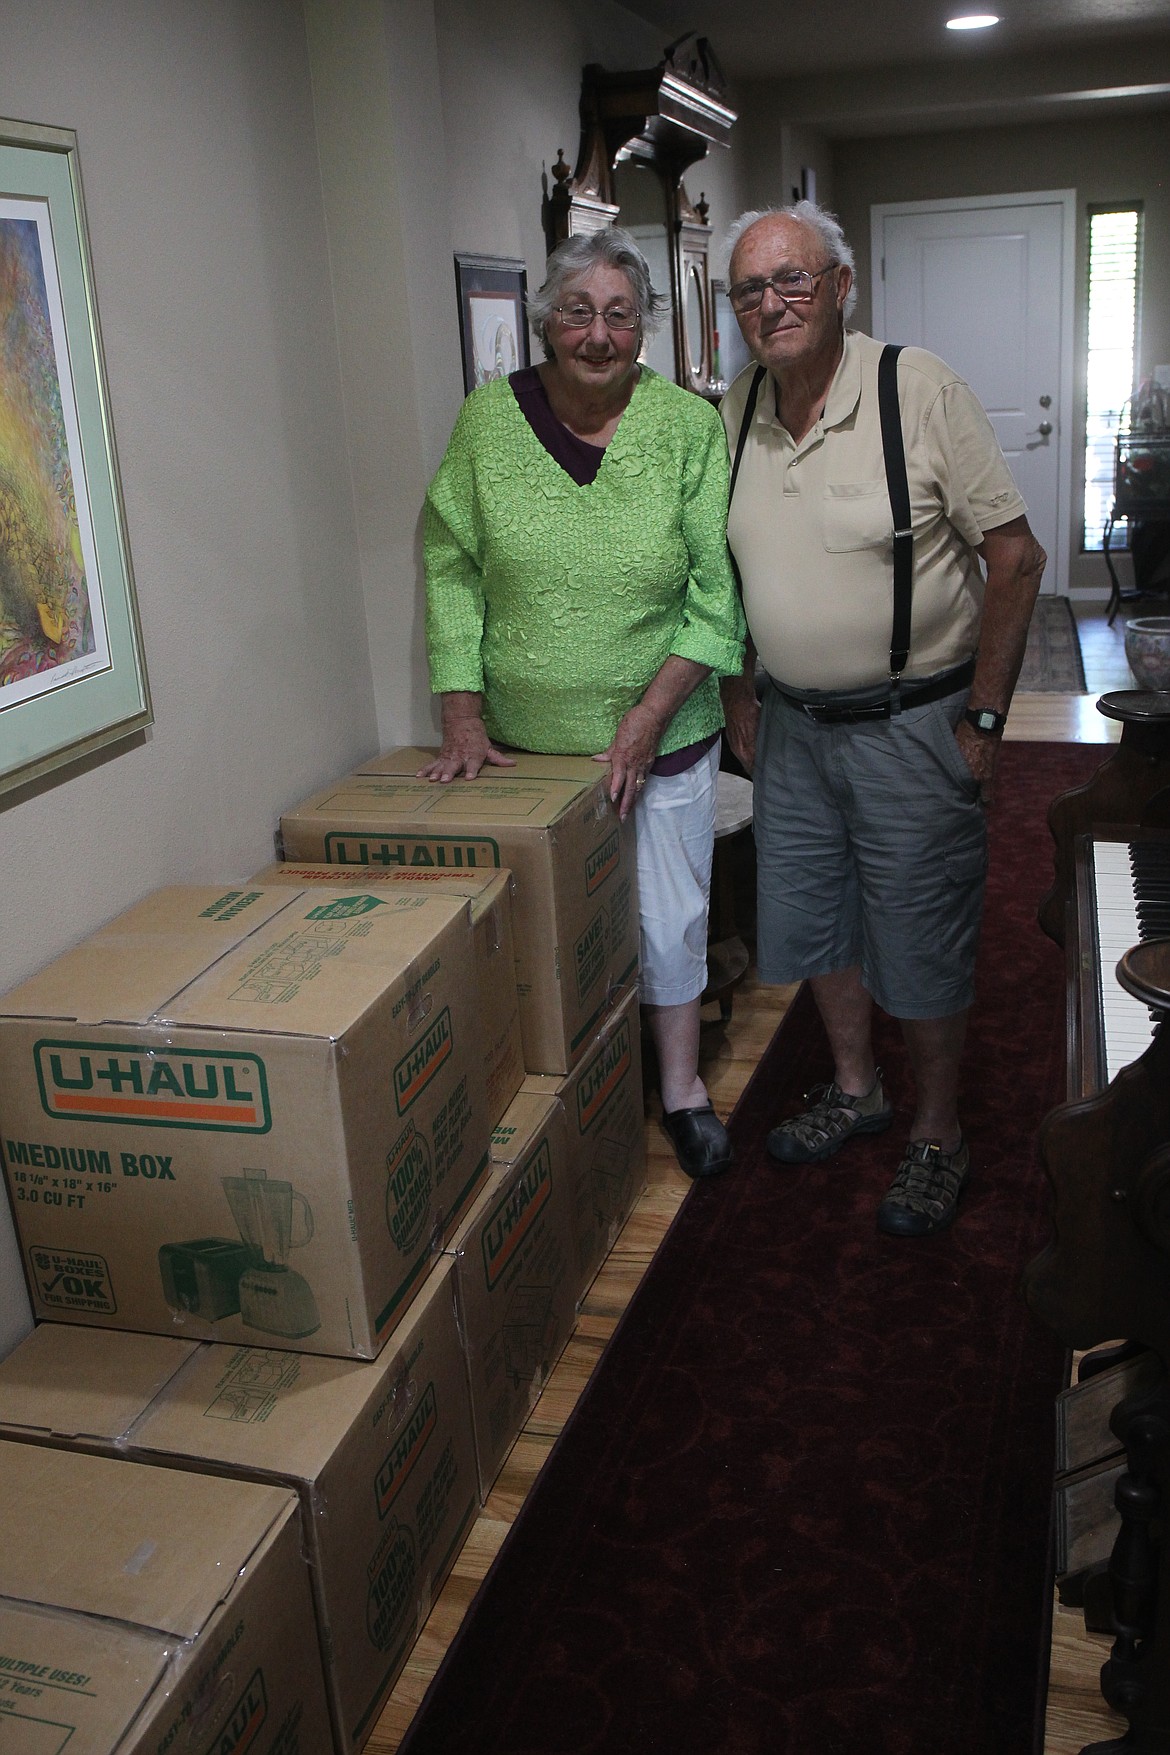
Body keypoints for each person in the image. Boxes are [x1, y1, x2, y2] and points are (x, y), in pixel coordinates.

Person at [718, 200, 1046, 1237]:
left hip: (916, 722)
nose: (772, 304)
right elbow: (719, 571)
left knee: (923, 934)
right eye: (750, 290)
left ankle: (938, 1130)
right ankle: (857, 1090)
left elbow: (1015, 557)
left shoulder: (918, 389)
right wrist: (739, 688)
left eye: (792, 280)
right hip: (793, 728)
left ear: (842, 286)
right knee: (818, 919)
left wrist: (985, 720)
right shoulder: (734, 412)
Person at [421, 227, 746, 1178]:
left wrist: (647, 717)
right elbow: (450, 564)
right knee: (545, 932)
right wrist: (461, 712)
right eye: (576, 312)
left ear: (644, 326)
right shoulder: (487, 422)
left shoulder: (688, 426)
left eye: (619, 314)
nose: (597, 335)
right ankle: (561, 1095)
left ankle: (680, 1089)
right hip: (526, 749)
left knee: (671, 916)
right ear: (544, 322)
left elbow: (714, 595)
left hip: (669, 733)